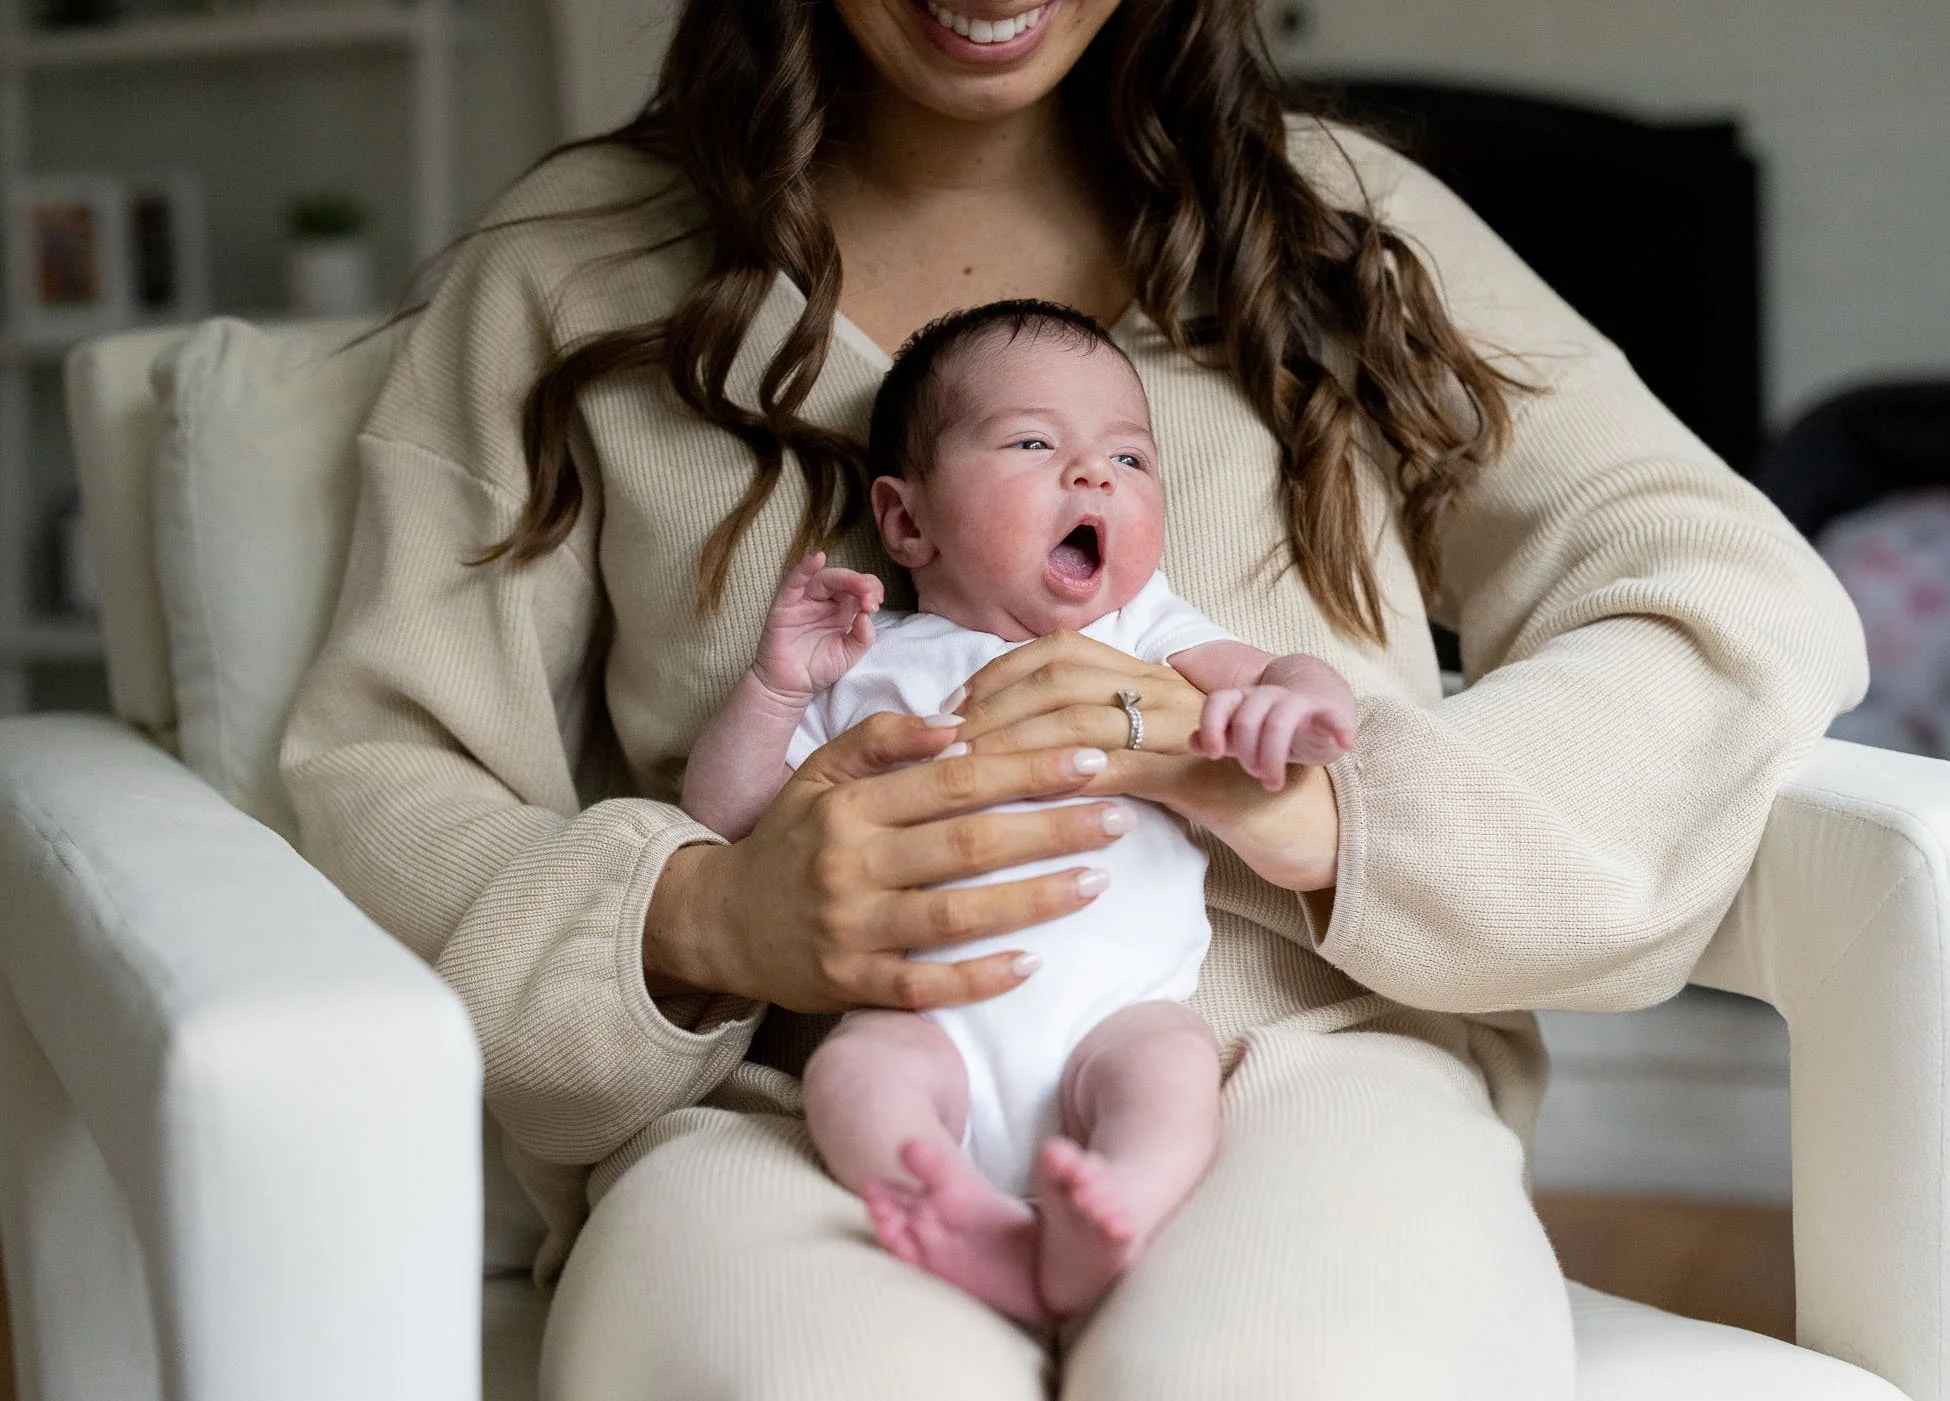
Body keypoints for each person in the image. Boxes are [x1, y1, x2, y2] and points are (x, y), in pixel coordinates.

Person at [280, 0, 1868, 1393]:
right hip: (802, 1100)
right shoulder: (572, 268)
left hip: (1301, 1080)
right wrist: (706, 919)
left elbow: (1722, 591)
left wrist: (1333, 805)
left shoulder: (1329, 225)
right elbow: (378, 769)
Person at [681, 299, 1357, 1322]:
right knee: (851, 1079)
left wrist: (1296, 703)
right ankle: (965, 1222)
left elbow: (1288, 674)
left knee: (1173, 1072)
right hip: (922, 1024)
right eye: (1035, 443)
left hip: (1115, 1018)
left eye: (1129, 460)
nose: (1094, 476)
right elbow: (727, 822)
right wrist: (777, 691)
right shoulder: (873, 665)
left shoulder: (1148, 630)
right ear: (908, 520)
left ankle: (1120, 1202)